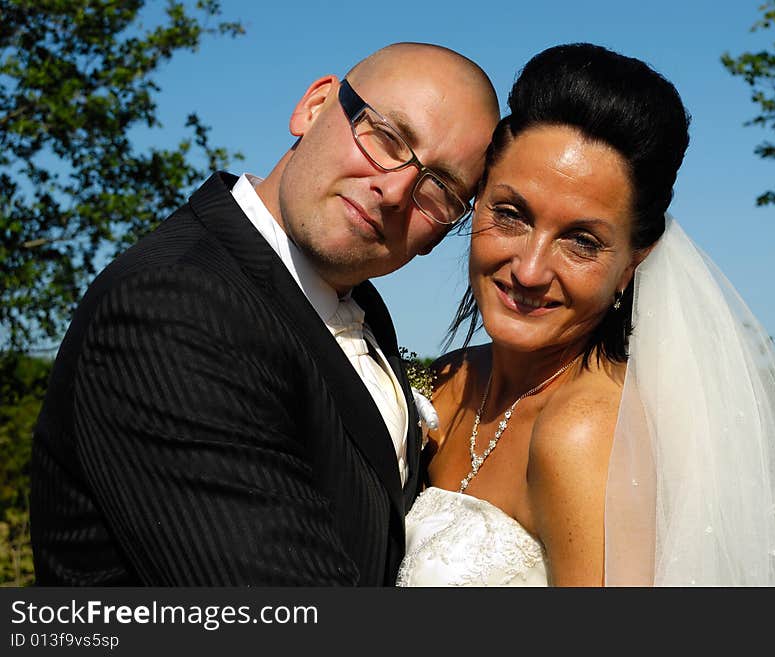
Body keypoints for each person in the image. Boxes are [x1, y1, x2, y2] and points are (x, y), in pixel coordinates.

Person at [29, 42, 500, 586]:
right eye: (387, 137)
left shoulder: (360, 307)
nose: (394, 191)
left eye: (439, 188)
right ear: (316, 106)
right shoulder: (175, 307)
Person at [396, 43, 775, 587]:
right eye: (512, 214)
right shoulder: (449, 381)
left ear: (632, 263)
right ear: (476, 200)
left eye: (582, 241)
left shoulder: (583, 431)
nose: (528, 269)